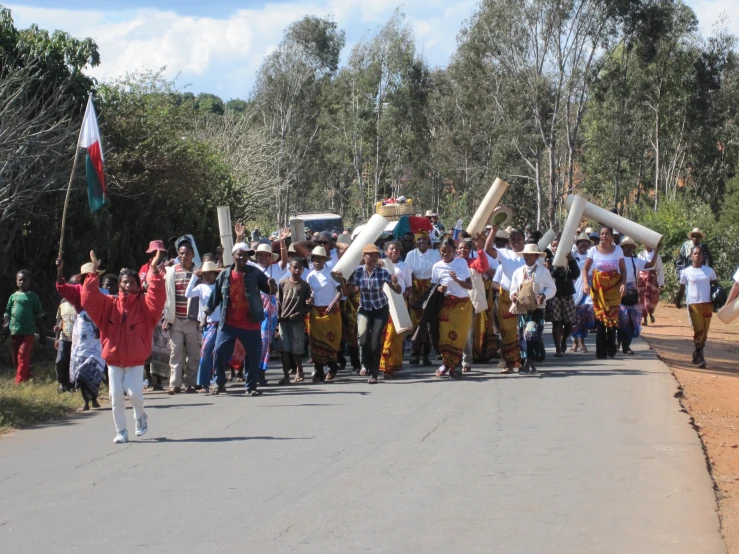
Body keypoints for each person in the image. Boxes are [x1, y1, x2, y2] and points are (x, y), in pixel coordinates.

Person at [81, 249, 167, 443]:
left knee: (134, 393)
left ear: (138, 285)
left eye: (132, 282)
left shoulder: (145, 306)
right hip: (113, 359)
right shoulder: (109, 304)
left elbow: (158, 296)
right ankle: (121, 431)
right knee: (115, 396)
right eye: (124, 282)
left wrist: (153, 270)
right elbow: (88, 299)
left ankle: (140, 417)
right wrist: (93, 273)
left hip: (135, 360)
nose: (128, 285)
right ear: (119, 284)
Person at [206, 243, 277, 396]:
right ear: (234, 255)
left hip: (250, 322)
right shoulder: (224, 275)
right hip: (229, 323)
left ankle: (251, 387)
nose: (242, 257)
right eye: (240, 254)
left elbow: (270, 290)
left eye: (245, 255)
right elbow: (216, 296)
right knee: (219, 352)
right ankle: (219, 383)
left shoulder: (255, 273)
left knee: (253, 355)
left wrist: (273, 285)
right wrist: (207, 311)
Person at [338, 244, 401, 384]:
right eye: (370, 255)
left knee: (374, 339)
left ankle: (374, 372)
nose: (373, 257)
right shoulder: (358, 273)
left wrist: (396, 283)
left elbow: (398, 291)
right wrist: (342, 282)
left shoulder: (382, 272)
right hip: (365, 308)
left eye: (375, 255)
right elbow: (347, 293)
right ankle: (364, 363)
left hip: (380, 308)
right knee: (361, 335)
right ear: (363, 256)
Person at [55, 259, 107, 410]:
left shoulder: (103, 292)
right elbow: (61, 287)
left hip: (97, 333)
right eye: (89, 276)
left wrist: (101, 327)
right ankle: (85, 399)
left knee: (95, 365)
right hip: (82, 332)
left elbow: (107, 313)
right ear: (84, 278)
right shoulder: (77, 290)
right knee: (81, 366)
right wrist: (60, 269)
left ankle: (95, 397)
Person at [510, 243, 556, 373]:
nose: (528, 257)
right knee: (522, 336)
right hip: (522, 309)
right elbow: (513, 288)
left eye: (531, 255)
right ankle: (528, 361)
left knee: (531, 334)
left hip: (536, 310)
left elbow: (552, 288)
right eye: (526, 255)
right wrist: (513, 296)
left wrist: (544, 296)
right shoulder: (518, 272)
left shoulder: (543, 271)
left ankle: (529, 361)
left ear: (536, 257)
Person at [581, 227, 626, 359]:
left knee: (612, 319)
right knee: (600, 320)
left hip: (613, 288)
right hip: (598, 288)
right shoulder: (593, 250)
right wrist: (585, 283)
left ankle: (611, 348)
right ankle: (600, 352)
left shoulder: (618, 250)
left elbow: (623, 269)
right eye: (602, 234)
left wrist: (623, 284)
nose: (604, 236)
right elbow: (585, 269)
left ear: (612, 237)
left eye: (607, 234)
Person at [487, 228, 528, 373]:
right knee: (507, 331)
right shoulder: (504, 254)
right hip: (505, 299)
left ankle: (524, 362)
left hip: (524, 298)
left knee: (523, 331)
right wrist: (494, 229)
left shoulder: (529, 256)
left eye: (519, 238)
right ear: (509, 241)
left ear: (524, 241)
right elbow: (487, 249)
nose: (516, 241)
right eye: (513, 239)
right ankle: (509, 364)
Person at [431, 238, 473, 378]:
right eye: (443, 251)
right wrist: (439, 289)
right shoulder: (436, 266)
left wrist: (456, 280)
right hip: (447, 305)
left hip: (462, 305)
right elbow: (434, 288)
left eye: (449, 251)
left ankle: (455, 366)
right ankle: (446, 364)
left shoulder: (461, 263)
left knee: (459, 337)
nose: (445, 254)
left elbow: (469, 285)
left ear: (454, 251)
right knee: (445, 336)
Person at [251, 233, 289, 385]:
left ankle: (261, 372)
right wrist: (239, 239)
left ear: (270, 257)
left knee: (264, 342)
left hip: (270, 309)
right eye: (260, 255)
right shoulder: (252, 268)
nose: (263, 258)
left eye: (266, 255)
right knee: (252, 341)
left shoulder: (276, 268)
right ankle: (251, 372)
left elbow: (285, 260)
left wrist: (282, 242)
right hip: (254, 307)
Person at [164, 240, 201, 395]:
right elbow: (167, 296)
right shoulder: (172, 271)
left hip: (193, 320)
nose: (184, 256)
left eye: (186, 254)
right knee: (176, 352)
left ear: (192, 255)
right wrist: (166, 317)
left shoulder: (198, 272)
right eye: (181, 254)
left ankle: (191, 383)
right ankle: (175, 384)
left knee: (194, 353)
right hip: (176, 319)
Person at [307, 246, 346, 382]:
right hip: (316, 312)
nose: (317, 261)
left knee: (331, 340)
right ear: (312, 260)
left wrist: (334, 303)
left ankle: (332, 368)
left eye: (320, 258)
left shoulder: (331, 273)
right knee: (316, 343)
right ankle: (318, 371)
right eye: (315, 258)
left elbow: (341, 291)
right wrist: (310, 299)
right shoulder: (310, 276)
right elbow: (310, 293)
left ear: (324, 260)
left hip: (331, 312)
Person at [675, 247, 719, 369]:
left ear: (703, 256)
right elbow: (682, 288)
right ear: (691, 256)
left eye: (700, 254)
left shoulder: (709, 271)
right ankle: (702, 358)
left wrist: (718, 298)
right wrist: (678, 301)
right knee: (698, 330)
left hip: (707, 304)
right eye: (695, 254)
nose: (697, 256)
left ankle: (696, 353)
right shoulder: (686, 272)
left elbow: (716, 284)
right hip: (693, 304)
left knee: (704, 332)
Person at [405, 230, 441, 365]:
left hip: (431, 289)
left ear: (428, 241)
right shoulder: (410, 255)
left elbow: (437, 273)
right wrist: (412, 294)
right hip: (415, 290)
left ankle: (427, 355)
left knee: (430, 322)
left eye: (424, 239)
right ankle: (415, 354)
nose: (421, 242)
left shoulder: (435, 254)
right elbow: (408, 274)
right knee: (416, 323)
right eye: (419, 240)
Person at [459, 231, 494, 370]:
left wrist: (479, 248)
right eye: (460, 248)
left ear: (469, 250)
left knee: (467, 333)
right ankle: (452, 359)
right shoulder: (451, 263)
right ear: (456, 250)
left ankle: (466, 361)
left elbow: (484, 267)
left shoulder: (474, 263)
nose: (463, 250)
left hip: (470, 303)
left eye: (466, 248)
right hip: (453, 302)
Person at [618, 237, 660, 355]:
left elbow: (651, 264)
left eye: (631, 246)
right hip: (619, 290)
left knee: (633, 320)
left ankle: (626, 346)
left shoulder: (636, 261)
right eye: (627, 246)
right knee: (622, 318)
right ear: (622, 248)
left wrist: (656, 252)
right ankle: (619, 340)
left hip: (632, 293)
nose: (629, 248)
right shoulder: (617, 260)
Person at [2, 271, 45, 384]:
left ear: (29, 282)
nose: (22, 282)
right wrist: (5, 328)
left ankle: (19, 382)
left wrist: (42, 334)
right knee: (16, 357)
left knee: (22, 356)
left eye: (24, 280)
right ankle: (27, 375)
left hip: (28, 332)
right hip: (15, 331)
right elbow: (7, 313)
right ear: (16, 282)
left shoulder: (33, 298)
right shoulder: (13, 297)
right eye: (19, 280)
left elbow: (39, 317)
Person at [185, 260, 221, 393]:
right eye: (205, 274)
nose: (207, 277)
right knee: (205, 352)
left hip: (220, 323)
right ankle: (204, 383)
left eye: (210, 274)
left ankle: (217, 381)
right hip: (207, 324)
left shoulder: (219, 286)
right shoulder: (200, 287)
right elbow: (187, 294)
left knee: (218, 352)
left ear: (215, 274)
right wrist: (194, 277)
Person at [378, 241, 412, 379]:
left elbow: (409, 288)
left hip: (399, 305)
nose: (394, 251)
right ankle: (380, 364)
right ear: (385, 252)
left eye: (397, 249)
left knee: (393, 336)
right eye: (392, 249)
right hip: (382, 304)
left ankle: (390, 366)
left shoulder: (405, 267)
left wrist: (400, 299)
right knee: (381, 335)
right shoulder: (380, 265)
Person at [276, 258, 313, 384]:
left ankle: (299, 370)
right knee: (284, 350)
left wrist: (299, 314)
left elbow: (308, 305)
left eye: (299, 268)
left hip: (297, 321)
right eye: (294, 267)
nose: (296, 270)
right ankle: (286, 375)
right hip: (283, 321)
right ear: (289, 268)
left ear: (303, 270)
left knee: (296, 350)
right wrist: (278, 317)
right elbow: (279, 301)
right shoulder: (283, 283)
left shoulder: (305, 286)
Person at [544, 236, 581, 357]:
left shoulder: (570, 258)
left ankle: (564, 339)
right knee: (557, 323)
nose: (555, 248)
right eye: (553, 245)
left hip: (568, 293)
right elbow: (546, 277)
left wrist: (570, 261)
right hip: (554, 294)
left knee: (569, 323)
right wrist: (555, 270)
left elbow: (575, 274)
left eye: (558, 245)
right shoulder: (548, 260)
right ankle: (558, 348)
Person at [571, 233, 594, 352]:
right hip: (573, 289)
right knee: (573, 315)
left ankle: (582, 340)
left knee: (585, 312)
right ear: (577, 245)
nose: (583, 245)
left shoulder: (592, 257)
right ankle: (575, 342)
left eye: (586, 243)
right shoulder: (572, 256)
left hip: (587, 289)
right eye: (581, 243)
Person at [637, 245, 665, 325]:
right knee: (643, 298)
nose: (647, 246)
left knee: (653, 297)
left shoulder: (657, 256)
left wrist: (661, 282)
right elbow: (638, 267)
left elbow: (660, 269)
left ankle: (651, 312)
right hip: (642, 279)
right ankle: (645, 319)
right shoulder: (641, 255)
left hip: (652, 278)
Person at [54, 296, 76, 392]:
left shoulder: (81, 303)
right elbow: (59, 320)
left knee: (73, 363)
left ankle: (69, 385)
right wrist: (56, 338)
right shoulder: (63, 303)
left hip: (77, 340)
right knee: (60, 361)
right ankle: (61, 381)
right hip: (63, 338)